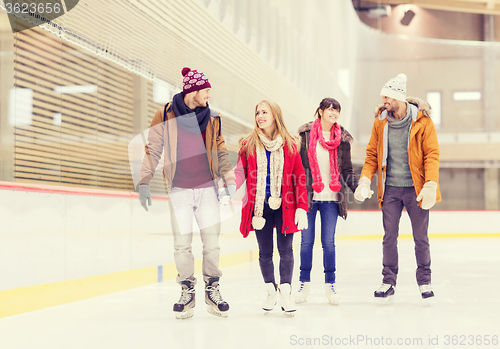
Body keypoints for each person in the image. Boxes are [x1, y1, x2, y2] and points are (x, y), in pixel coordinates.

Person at [138, 67, 236, 319]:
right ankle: (187, 291)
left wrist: (228, 180)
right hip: (179, 188)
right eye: (206, 90)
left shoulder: (213, 117)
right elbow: (153, 148)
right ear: (193, 91)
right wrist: (144, 181)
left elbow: (221, 150)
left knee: (212, 246)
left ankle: (212, 289)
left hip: (208, 190)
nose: (209, 95)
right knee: (182, 246)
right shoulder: (165, 114)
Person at [354, 73, 441, 303]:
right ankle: (388, 281)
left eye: (387, 98)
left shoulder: (422, 122)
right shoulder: (380, 121)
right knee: (389, 237)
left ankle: (425, 282)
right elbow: (372, 154)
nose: (384, 101)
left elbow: (432, 154)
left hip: (416, 189)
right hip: (390, 189)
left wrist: (431, 183)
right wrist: (364, 180)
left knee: (420, 237)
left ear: (398, 98)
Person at [234, 100, 308, 316]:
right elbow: (240, 172)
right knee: (265, 253)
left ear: (275, 115)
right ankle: (270, 290)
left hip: (285, 206)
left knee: (286, 251)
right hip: (259, 208)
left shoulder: (291, 145)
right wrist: (228, 185)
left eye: (264, 112)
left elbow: (300, 177)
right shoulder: (248, 144)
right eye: (257, 112)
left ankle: (286, 291)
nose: (260, 116)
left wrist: (301, 207)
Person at [295, 98, 358, 305]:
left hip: (332, 198)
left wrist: (357, 188)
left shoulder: (343, 139)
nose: (333, 112)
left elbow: (347, 170)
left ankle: (330, 285)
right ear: (321, 111)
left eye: (337, 110)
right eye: (330, 109)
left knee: (328, 243)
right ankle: (304, 283)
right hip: (309, 197)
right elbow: (299, 167)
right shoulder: (305, 135)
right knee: (306, 243)